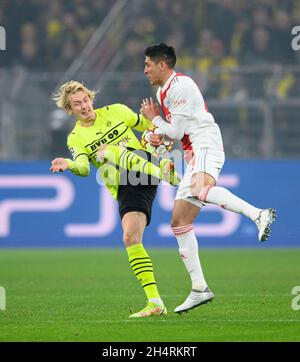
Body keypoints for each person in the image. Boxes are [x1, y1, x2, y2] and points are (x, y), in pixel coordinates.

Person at [140, 43, 277, 314]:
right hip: (193, 151)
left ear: (162, 65)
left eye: (148, 64)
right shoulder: (162, 90)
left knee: (202, 190)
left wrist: (154, 121)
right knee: (179, 221)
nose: (144, 70)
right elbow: (176, 133)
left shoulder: (180, 87)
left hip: (206, 144)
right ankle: (199, 288)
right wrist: (160, 139)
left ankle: (258, 214)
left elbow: (177, 131)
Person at [50, 80, 179, 318]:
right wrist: (68, 164)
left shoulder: (117, 111)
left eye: (86, 100)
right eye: (77, 104)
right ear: (70, 110)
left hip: (145, 168)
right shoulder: (76, 138)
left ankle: (166, 172)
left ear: (91, 98)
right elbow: (83, 168)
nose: (84, 106)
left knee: (107, 150)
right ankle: (155, 302)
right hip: (125, 186)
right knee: (130, 238)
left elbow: (148, 126)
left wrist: (159, 131)